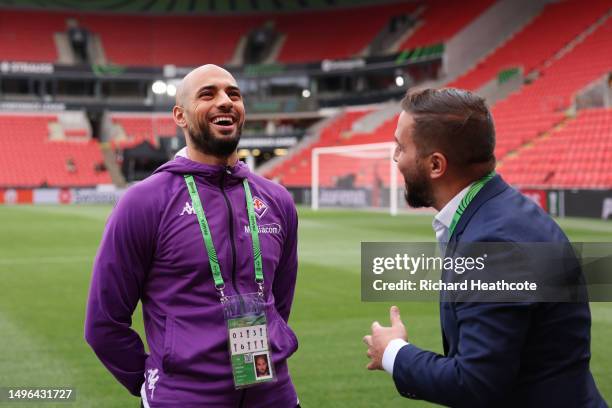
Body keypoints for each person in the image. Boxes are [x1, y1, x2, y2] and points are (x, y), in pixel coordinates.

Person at [363, 88, 606, 407]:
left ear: (436, 165)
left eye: (401, 147)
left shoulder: (493, 244)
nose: (395, 157)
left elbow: (475, 384)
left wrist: (394, 353)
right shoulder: (501, 215)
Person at [85, 64, 300, 407]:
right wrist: (159, 380)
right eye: (207, 94)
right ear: (180, 116)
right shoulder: (143, 202)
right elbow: (103, 322)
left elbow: (280, 300)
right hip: (182, 398)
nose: (225, 101)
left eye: (233, 94)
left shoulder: (278, 200)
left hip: (273, 395)